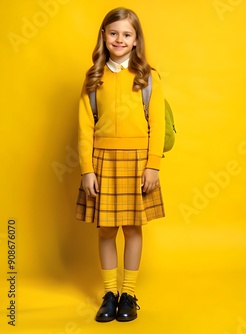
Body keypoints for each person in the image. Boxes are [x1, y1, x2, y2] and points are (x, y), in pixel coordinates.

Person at [75, 7, 166, 322]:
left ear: (136, 39)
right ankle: (110, 293)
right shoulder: (94, 78)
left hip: (139, 161)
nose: (119, 39)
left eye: (127, 34)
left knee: (132, 228)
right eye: (113, 33)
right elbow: (85, 129)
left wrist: (152, 165)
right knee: (106, 230)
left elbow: (158, 125)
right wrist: (87, 170)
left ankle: (129, 293)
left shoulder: (148, 77)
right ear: (104, 36)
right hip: (103, 161)